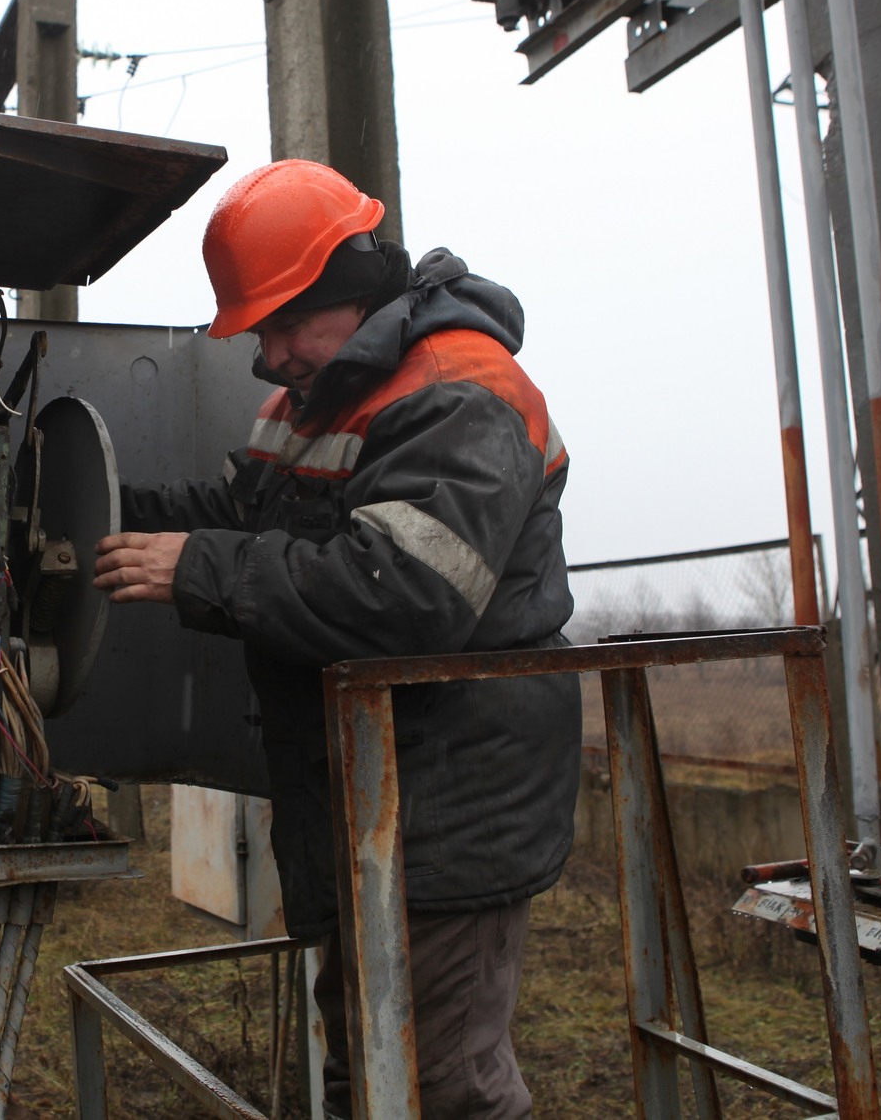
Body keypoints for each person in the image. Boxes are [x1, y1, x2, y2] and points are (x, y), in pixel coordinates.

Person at [93, 159, 579, 1119]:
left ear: (352, 288)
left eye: (282, 322)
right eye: (259, 329)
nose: (269, 353)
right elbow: (246, 510)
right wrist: (101, 505)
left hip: (450, 800)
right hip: (365, 788)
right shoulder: (313, 396)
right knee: (367, 1066)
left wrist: (197, 568)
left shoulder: (459, 392)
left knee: (440, 1086)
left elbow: (407, 593)